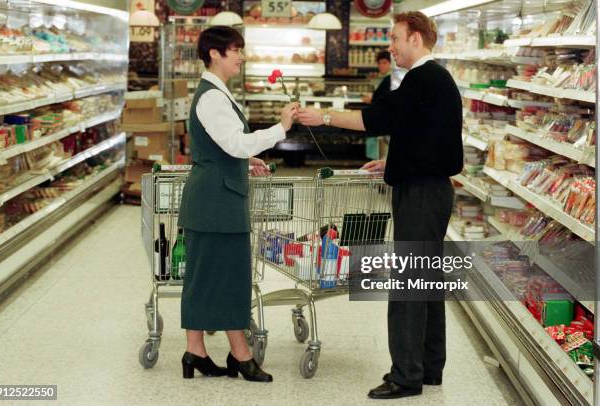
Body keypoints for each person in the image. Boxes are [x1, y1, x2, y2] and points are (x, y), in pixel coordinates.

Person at [298, 11, 463, 400]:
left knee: (408, 283)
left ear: (416, 39)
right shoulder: (435, 81)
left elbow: (376, 119)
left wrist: (321, 116)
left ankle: (406, 376)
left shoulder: (422, 78)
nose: (390, 45)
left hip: (421, 195)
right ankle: (429, 367)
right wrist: (394, 162)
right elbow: (427, 138)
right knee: (427, 280)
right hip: (431, 187)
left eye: (395, 38)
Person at [177, 26, 298, 383]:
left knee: (204, 276)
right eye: (236, 50)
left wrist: (244, 163)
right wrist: (281, 127)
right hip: (217, 200)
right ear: (215, 53)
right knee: (230, 276)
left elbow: (226, 148)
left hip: (215, 195)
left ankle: (195, 350)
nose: (241, 57)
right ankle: (239, 355)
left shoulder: (215, 92)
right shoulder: (212, 97)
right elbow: (237, 143)